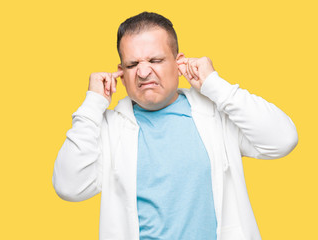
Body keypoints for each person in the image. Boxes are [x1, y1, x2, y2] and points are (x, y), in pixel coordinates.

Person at [52, 12, 298, 240]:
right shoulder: (108, 130)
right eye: (132, 64)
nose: (144, 72)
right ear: (121, 73)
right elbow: (69, 187)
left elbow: (282, 140)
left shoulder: (216, 115)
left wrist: (216, 85)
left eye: (155, 60)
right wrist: (92, 105)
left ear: (178, 63)